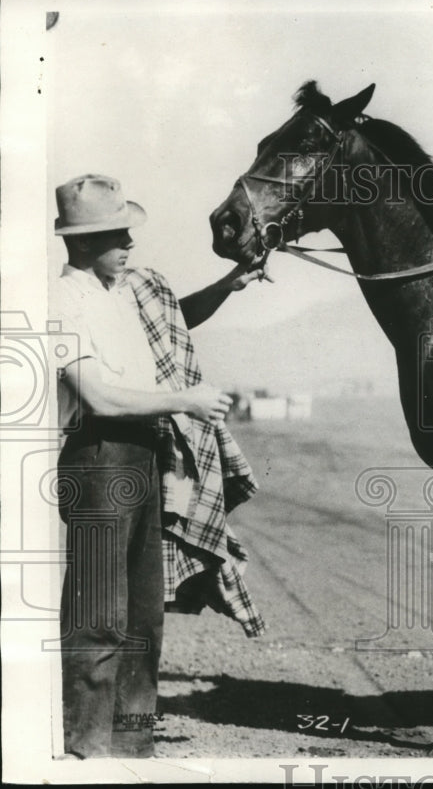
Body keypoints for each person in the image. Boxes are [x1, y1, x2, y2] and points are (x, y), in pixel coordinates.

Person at [52, 174, 265, 758]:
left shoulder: (120, 289)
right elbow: (99, 397)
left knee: (144, 616)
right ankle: (89, 749)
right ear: (85, 241)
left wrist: (230, 283)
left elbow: (175, 320)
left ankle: (133, 747)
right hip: (98, 457)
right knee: (98, 613)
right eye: (119, 233)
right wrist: (186, 401)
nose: (130, 243)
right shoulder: (62, 301)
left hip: (144, 455)